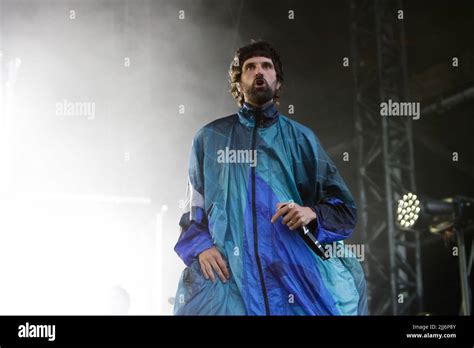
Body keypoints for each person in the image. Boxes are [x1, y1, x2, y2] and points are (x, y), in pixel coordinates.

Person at [173, 40, 368, 315]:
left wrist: (311, 213)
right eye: (250, 67)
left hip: (294, 278)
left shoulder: (301, 139)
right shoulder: (209, 138)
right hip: (231, 281)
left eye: (267, 66)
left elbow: (345, 210)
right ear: (238, 83)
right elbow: (194, 204)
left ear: (278, 82)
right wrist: (200, 246)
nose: (259, 72)